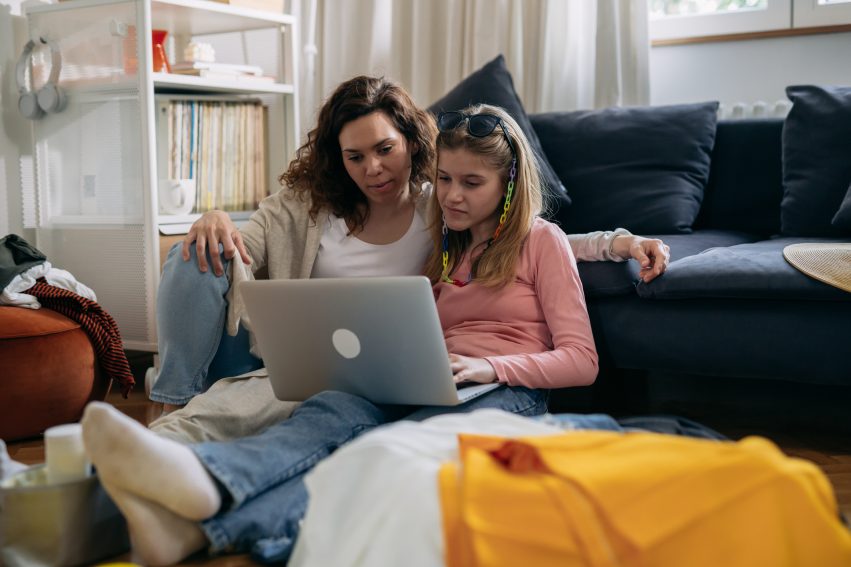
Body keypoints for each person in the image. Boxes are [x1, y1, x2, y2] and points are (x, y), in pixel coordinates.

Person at [82, 104, 599, 565]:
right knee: (329, 411)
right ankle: (202, 480)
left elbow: (581, 360)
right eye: (444, 179)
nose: (451, 195)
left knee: (380, 452)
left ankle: (207, 527)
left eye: (471, 183)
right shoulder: (447, 242)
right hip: (431, 377)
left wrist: (490, 366)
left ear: (509, 183)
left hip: (506, 389)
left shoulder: (542, 241)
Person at [148, 75, 670, 440]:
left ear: (411, 142)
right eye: (355, 157)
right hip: (286, 356)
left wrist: (619, 242)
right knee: (193, 256)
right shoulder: (307, 207)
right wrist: (215, 218)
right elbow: (247, 245)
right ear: (338, 159)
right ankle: (170, 403)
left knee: (330, 429)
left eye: (384, 149)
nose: (372, 169)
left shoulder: (438, 209)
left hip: (376, 372)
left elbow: (527, 236)